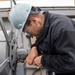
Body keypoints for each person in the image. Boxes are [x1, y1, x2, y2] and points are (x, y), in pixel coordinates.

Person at [8, 3, 75, 75]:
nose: (29, 35)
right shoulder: (46, 24)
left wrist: (43, 61)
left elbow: (71, 62)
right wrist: (34, 47)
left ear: (34, 21)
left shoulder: (62, 29)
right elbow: (43, 38)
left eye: (27, 31)